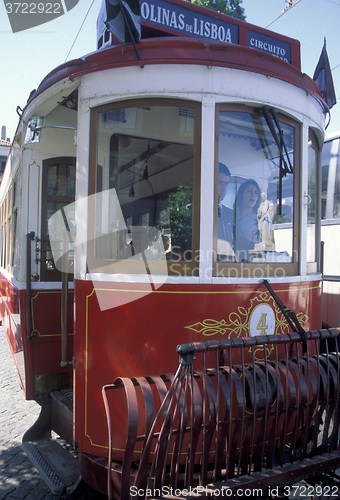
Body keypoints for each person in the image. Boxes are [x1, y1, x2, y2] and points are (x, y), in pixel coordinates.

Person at [234, 179, 261, 261]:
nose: (253, 195)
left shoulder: (258, 220)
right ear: (241, 194)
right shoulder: (233, 217)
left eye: (256, 193)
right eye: (249, 191)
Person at [217, 162, 234, 261]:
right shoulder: (197, 211)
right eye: (219, 182)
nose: (223, 188)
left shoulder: (231, 214)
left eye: (226, 183)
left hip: (229, 267)